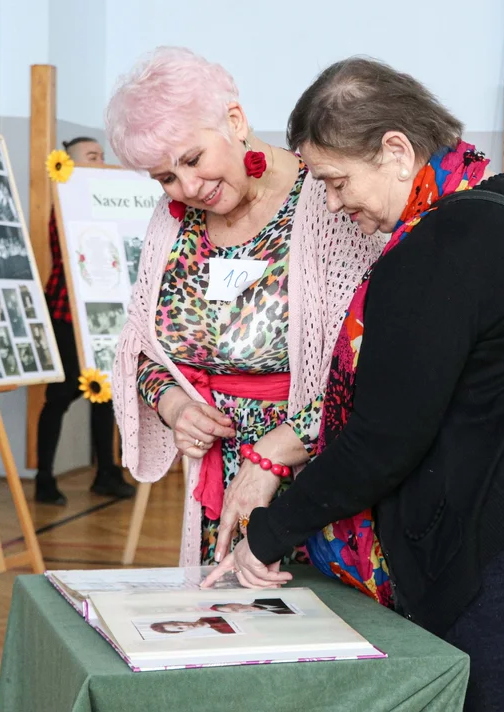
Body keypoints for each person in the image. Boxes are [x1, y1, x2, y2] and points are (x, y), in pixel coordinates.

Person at [205, 57, 504, 712]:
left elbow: (383, 442)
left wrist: (266, 535)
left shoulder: (438, 249)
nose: (335, 203)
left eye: (336, 180)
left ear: (397, 150)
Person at [107, 47, 384, 567]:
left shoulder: (328, 199)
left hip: (320, 476)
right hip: (222, 482)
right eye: (165, 178)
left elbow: (370, 365)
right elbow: (143, 349)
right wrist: (176, 407)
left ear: (235, 120)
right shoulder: (172, 223)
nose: (187, 188)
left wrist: (275, 453)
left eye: (192, 160)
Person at [35, 136, 134, 505]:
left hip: (103, 313)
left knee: (104, 394)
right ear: (71, 165)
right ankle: (44, 477)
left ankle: (106, 471)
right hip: (65, 312)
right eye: (92, 157)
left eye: (102, 155)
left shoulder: (101, 202)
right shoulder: (65, 203)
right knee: (59, 396)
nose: (100, 161)